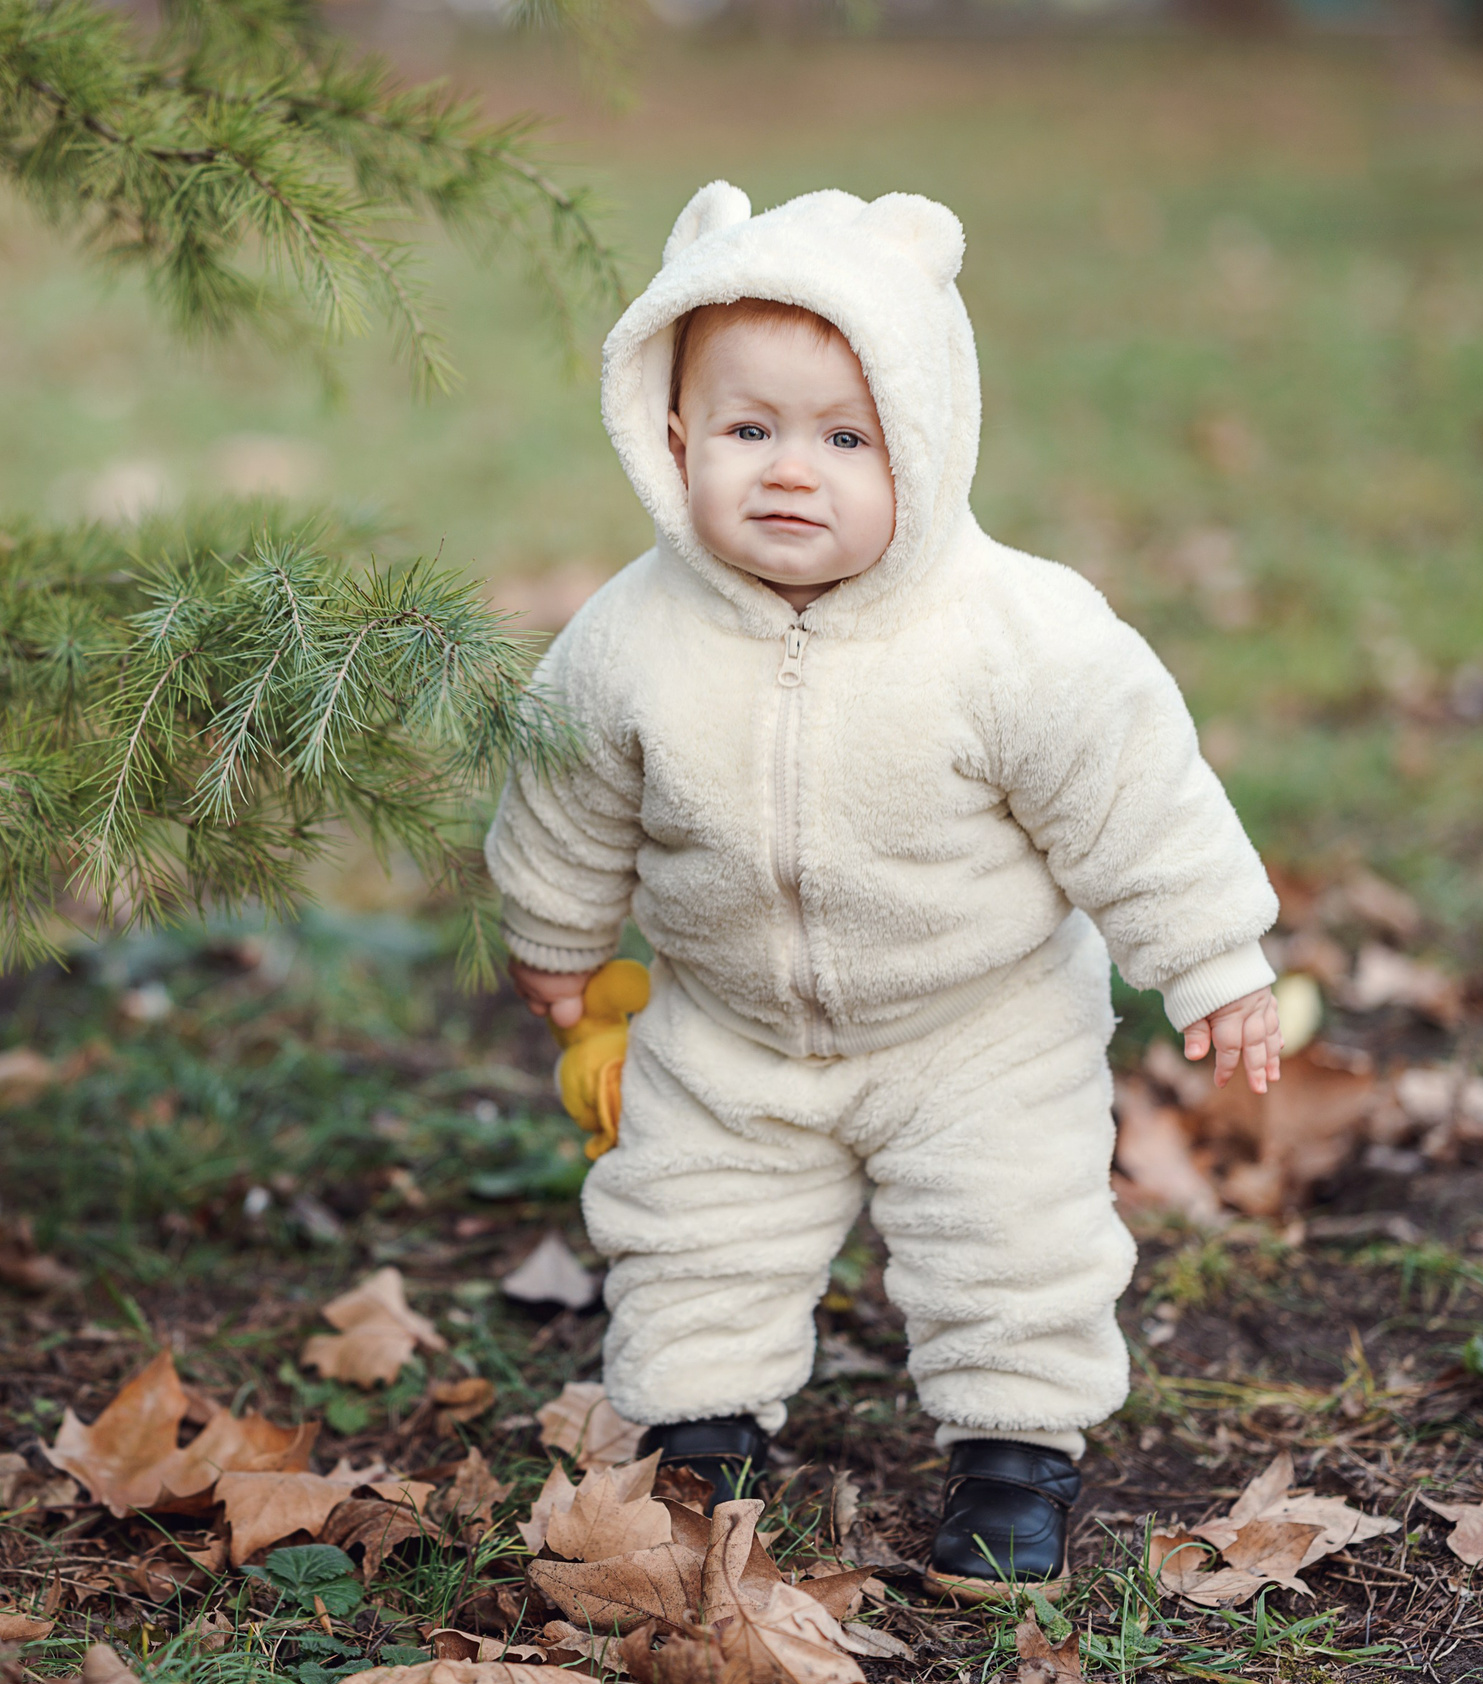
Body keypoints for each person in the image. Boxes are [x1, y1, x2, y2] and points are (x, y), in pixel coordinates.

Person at [484, 182, 1284, 1598]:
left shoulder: (1014, 635)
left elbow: (1135, 798)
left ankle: (1013, 1463)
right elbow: (563, 791)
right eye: (749, 431)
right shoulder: (627, 639)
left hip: (980, 1022)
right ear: (673, 441)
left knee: (1014, 1243)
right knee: (688, 1232)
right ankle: (703, 1440)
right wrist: (554, 931)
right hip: (728, 1025)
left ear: (928, 440)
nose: (792, 472)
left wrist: (1215, 954)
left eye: (844, 438)